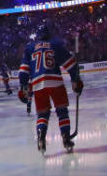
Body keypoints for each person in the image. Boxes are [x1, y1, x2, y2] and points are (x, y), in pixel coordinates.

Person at [18, 24, 83, 154]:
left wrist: (24, 86)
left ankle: (41, 137)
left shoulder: (30, 48)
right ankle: (65, 138)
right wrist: (76, 80)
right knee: (62, 111)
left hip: (37, 84)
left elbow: (23, 71)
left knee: (42, 114)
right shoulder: (56, 45)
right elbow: (71, 65)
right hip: (55, 81)